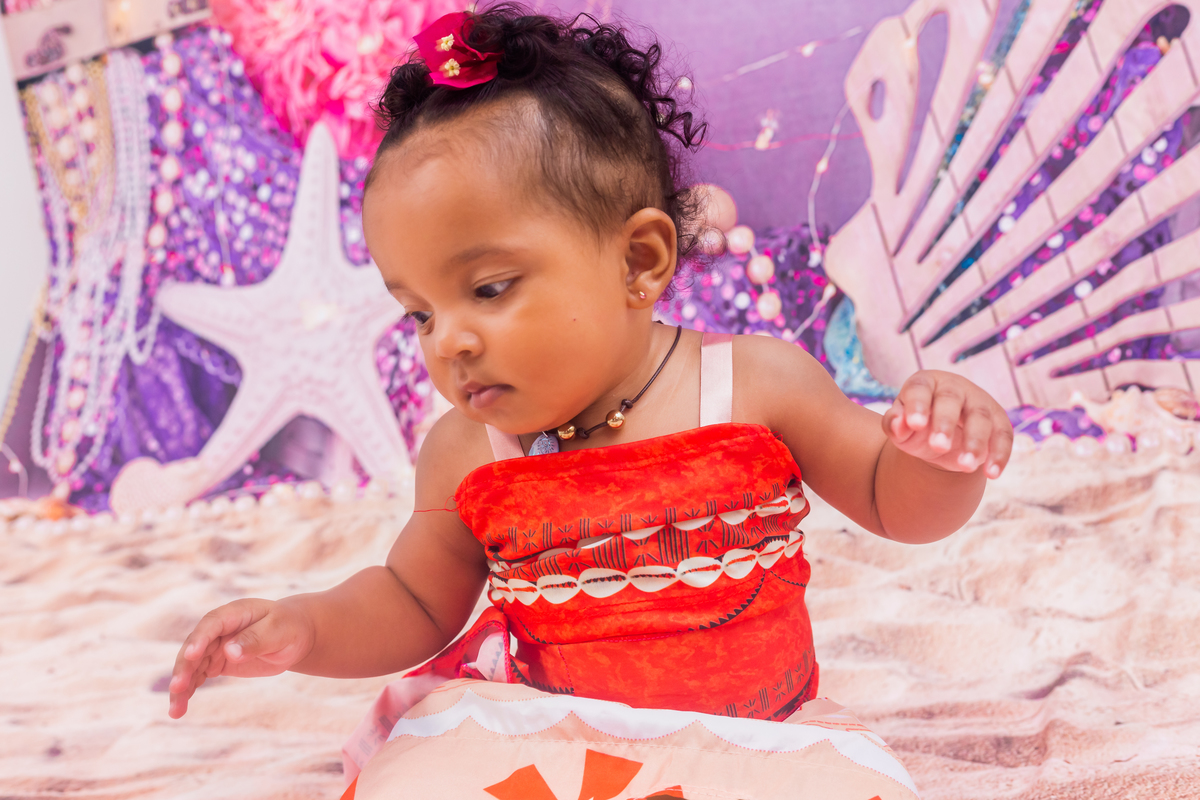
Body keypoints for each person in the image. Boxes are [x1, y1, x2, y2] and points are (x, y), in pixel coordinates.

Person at [168, 5, 1013, 798]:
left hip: (755, 743)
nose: (448, 340)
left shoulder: (756, 384)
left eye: (488, 288)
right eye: (419, 312)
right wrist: (306, 629)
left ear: (639, 261)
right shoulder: (467, 451)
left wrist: (937, 457)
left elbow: (893, 503)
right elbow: (413, 600)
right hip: (554, 743)